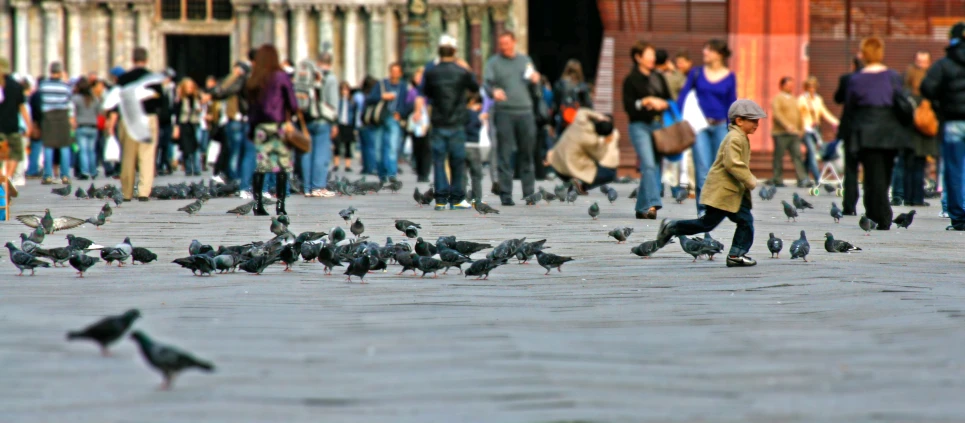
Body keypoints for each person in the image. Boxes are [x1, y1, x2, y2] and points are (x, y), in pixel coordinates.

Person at [655, 99, 766, 268]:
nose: (757, 124)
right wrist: (749, 179)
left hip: (733, 192)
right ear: (739, 120)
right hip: (724, 192)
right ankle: (674, 227)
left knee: (738, 221)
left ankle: (735, 254)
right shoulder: (735, 138)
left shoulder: (740, 137)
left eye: (758, 120)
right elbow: (732, 163)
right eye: (753, 120)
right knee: (713, 223)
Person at [844, 36, 909, 230]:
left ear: (863, 54)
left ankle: (877, 213)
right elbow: (901, 102)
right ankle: (881, 213)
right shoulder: (893, 76)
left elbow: (850, 108)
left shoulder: (856, 79)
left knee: (872, 174)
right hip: (889, 131)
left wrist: (847, 136)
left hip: (866, 131)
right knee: (884, 174)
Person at [678, 39, 737, 216]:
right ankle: (703, 211)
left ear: (719, 54)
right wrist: (677, 120)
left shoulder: (729, 76)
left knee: (717, 168)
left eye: (709, 50)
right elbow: (682, 96)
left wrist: (732, 130)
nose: (704, 52)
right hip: (700, 127)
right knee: (702, 168)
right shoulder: (696, 73)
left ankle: (715, 206)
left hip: (720, 126)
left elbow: (731, 103)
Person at [421, 38, 480, 210]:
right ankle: (457, 198)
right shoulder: (461, 72)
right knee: (457, 161)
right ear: (454, 52)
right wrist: (466, 68)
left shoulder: (431, 72)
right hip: (457, 122)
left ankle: (440, 199)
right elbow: (475, 86)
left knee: (439, 161)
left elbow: (426, 93)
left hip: (439, 122)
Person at [484, 30, 541, 206]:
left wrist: (536, 80)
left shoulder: (525, 61)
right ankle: (506, 194)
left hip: (525, 112)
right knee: (505, 153)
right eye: (501, 44)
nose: (504, 47)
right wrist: (493, 92)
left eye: (507, 43)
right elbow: (487, 84)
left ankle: (529, 194)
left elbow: (535, 88)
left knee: (526, 153)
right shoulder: (494, 62)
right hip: (504, 113)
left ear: (514, 42)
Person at [244, 44, 298, 216]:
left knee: (262, 165)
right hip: (278, 126)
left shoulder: (255, 77)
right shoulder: (281, 76)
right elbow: (293, 103)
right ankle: (280, 205)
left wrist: (252, 128)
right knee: (282, 165)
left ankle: (258, 203)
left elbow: (250, 106)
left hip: (260, 127)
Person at [921, 22, 965, 231]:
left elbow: (927, 87)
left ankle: (958, 217)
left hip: (953, 121)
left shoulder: (944, 64)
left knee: (954, 170)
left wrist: (941, 104)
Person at [108, 47, 165, 201]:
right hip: (148, 117)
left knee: (128, 155)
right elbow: (161, 101)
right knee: (147, 155)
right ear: (146, 60)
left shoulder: (124, 78)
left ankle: (127, 192)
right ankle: (143, 192)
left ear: (133, 60)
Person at [622, 40, 671, 219]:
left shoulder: (659, 77)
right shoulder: (631, 80)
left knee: (655, 166)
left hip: (658, 126)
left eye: (653, 55)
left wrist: (660, 103)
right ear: (638, 57)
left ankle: (642, 207)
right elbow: (629, 107)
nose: (652, 58)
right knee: (648, 164)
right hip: (639, 126)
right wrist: (644, 101)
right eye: (649, 55)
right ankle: (652, 203)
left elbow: (670, 101)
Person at [207, 49, 255, 197]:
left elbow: (219, 91)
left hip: (239, 120)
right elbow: (218, 91)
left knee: (238, 153)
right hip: (236, 121)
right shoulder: (240, 81)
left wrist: (233, 77)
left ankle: (238, 181)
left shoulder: (240, 81)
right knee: (236, 152)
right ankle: (237, 181)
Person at [892, 51, 937, 207]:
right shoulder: (928, 90)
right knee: (917, 165)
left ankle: (903, 195)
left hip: (907, 132)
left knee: (905, 164)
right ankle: (915, 198)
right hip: (922, 133)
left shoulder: (906, 92)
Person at [547, 109, 620, 191]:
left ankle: (573, 184)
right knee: (610, 173)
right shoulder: (593, 141)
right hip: (569, 169)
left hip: (556, 163)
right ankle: (582, 186)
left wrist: (599, 116)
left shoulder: (581, 122)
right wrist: (606, 143)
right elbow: (600, 157)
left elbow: (582, 111)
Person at [300, 51, 338, 198]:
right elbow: (333, 103)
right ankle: (318, 186)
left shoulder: (308, 76)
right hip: (323, 120)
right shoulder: (330, 78)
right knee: (321, 155)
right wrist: (334, 123)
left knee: (307, 154)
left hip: (307, 119)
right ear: (330, 63)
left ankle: (307, 188)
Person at [365, 62, 410, 183]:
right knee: (378, 148)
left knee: (392, 147)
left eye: (397, 72)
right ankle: (382, 174)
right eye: (392, 71)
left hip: (393, 118)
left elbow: (407, 103)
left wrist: (400, 113)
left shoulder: (403, 86)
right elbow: (368, 99)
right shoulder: (381, 84)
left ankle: (392, 174)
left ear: (400, 73)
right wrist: (382, 96)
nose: (394, 74)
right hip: (379, 119)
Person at [834, 55, 863, 215]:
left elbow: (838, 98)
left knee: (851, 168)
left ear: (853, 65)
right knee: (871, 169)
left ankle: (849, 206)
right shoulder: (875, 79)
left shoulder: (847, 79)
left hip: (850, 129)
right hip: (869, 129)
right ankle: (872, 206)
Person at [37, 61, 75, 185]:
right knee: (64, 145)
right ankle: (65, 175)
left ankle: (47, 175)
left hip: (48, 116)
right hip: (62, 116)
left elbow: (40, 100)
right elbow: (69, 101)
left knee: (48, 146)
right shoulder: (65, 86)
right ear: (60, 72)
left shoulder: (43, 85)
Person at [798, 76, 839, 187]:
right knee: (812, 152)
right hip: (806, 130)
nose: (812, 89)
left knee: (809, 155)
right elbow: (798, 115)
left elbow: (824, 112)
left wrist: (835, 122)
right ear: (806, 87)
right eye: (810, 87)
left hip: (816, 131)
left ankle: (803, 177)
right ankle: (818, 178)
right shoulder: (802, 99)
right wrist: (803, 125)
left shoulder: (818, 99)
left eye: (814, 86)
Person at [0, 58, 31, 196]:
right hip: (12, 126)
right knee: (16, 154)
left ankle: (2, 176)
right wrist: (29, 125)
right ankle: (9, 176)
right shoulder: (16, 86)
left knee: (1, 155)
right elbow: (22, 108)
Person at [770, 76, 807, 187]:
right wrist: (787, 125)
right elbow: (777, 114)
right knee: (779, 156)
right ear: (782, 86)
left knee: (797, 155)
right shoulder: (778, 98)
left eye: (792, 85)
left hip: (794, 133)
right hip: (781, 133)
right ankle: (778, 179)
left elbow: (799, 115)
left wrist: (801, 129)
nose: (791, 87)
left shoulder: (794, 99)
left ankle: (802, 179)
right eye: (788, 85)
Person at [553, 59, 593, 136]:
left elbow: (555, 105)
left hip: (563, 121)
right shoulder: (583, 87)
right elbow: (588, 105)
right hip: (578, 122)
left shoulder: (559, 85)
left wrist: (552, 124)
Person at [71, 78, 102, 180]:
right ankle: (93, 171)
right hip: (93, 126)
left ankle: (84, 171)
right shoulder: (94, 99)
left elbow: (72, 112)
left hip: (81, 126)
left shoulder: (76, 98)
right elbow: (99, 112)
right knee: (91, 151)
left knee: (83, 150)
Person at [173, 77, 203, 176]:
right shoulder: (180, 99)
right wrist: (176, 127)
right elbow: (176, 114)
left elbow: (202, 107)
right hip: (184, 124)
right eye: (188, 87)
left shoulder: (197, 97)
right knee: (186, 147)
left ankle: (197, 168)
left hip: (194, 124)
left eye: (191, 87)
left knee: (196, 146)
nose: (190, 89)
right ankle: (188, 168)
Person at [407, 66, 431, 182]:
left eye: (420, 77)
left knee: (426, 148)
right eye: (416, 77)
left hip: (427, 123)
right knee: (417, 147)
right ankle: (419, 170)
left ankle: (424, 173)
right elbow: (407, 104)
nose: (418, 79)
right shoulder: (412, 91)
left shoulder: (429, 91)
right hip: (415, 122)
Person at [464, 92, 485, 204]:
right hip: (472, 146)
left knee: (462, 174)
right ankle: (477, 198)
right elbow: (473, 127)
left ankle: (461, 198)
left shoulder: (461, 112)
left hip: (461, 145)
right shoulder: (472, 114)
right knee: (476, 174)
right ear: (473, 102)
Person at [332, 81, 356, 176]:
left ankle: (347, 165)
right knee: (337, 144)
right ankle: (336, 164)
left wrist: (355, 127)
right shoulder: (338, 101)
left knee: (348, 145)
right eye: (342, 89)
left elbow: (355, 115)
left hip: (348, 125)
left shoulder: (352, 102)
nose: (344, 91)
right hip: (339, 124)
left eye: (346, 89)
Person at [156, 68, 176, 176]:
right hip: (158, 119)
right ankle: (157, 165)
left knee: (166, 144)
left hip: (168, 119)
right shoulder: (158, 89)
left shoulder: (173, 89)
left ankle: (163, 164)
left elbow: (174, 105)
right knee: (157, 144)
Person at [355, 76, 376, 175]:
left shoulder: (359, 95)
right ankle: (371, 167)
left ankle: (366, 167)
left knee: (364, 146)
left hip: (360, 122)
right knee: (370, 146)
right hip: (369, 122)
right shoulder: (372, 96)